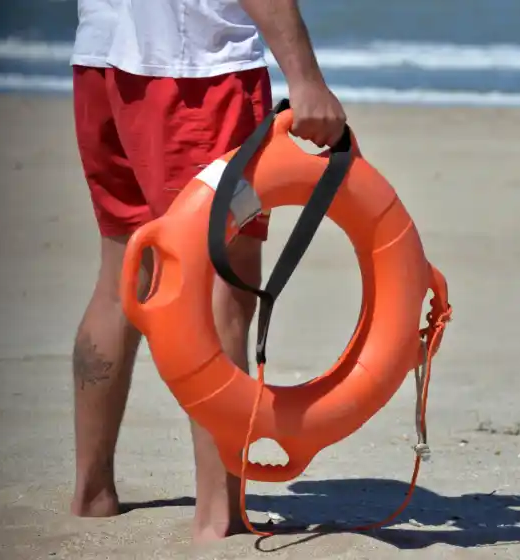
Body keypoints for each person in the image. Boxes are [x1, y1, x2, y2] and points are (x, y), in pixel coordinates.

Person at [68, 0, 346, 542]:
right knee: (224, 286)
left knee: (124, 276)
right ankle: (220, 513)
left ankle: (91, 493)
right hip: (196, 75)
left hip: (102, 61)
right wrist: (305, 78)